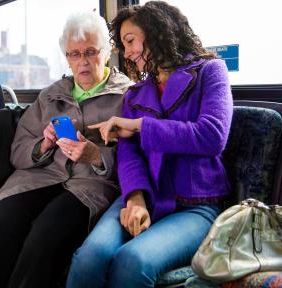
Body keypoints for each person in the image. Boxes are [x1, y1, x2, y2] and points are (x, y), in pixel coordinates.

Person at [67, 2, 233, 288]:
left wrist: (141, 126)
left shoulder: (210, 71)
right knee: (89, 258)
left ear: (157, 33)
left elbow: (212, 136)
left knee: (133, 261)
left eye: (130, 41)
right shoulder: (136, 94)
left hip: (194, 205)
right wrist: (135, 199)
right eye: (123, 44)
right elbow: (129, 153)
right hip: (146, 195)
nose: (128, 52)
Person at [0, 11, 133, 288]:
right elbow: (19, 150)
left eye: (90, 51)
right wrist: (45, 144)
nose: (83, 61)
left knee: (45, 234)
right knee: (0, 223)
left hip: (91, 183)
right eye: (74, 54)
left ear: (106, 52)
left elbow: (139, 157)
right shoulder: (50, 94)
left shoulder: (128, 95)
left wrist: (95, 156)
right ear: (67, 57)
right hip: (41, 176)